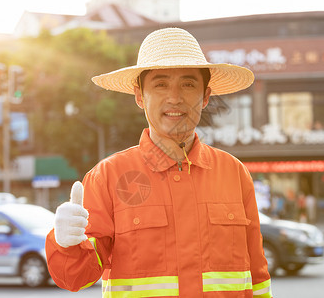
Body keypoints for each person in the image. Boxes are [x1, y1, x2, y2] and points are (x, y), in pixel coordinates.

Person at [45, 27, 272, 298]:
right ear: (139, 96)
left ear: (206, 96)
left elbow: (258, 279)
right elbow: (74, 278)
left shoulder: (234, 174)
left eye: (188, 84)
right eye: (160, 84)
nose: (174, 97)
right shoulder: (108, 177)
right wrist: (66, 244)